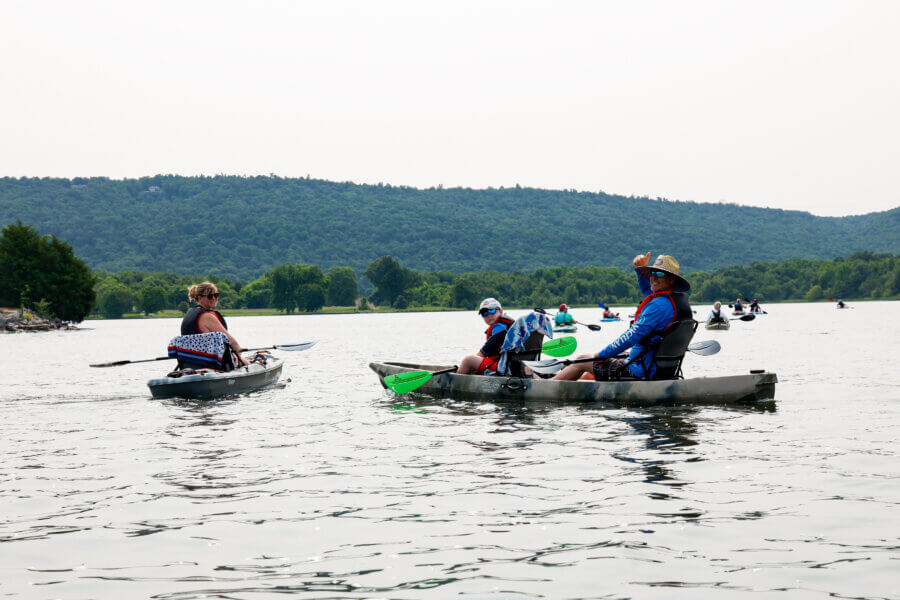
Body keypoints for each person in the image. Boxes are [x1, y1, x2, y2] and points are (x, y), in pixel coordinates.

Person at [553, 253, 692, 381]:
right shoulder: (675, 302)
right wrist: (640, 271)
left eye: (659, 274)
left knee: (581, 360)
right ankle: (584, 390)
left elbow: (631, 336)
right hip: (659, 369)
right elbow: (649, 291)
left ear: (671, 279)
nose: (653, 278)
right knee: (597, 368)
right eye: (652, 273)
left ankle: (548, 387)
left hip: (639, 371)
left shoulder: (658, 306)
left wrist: (601, 355)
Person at [182, 281, 249, 367]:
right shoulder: (207, 316)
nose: (214, 298)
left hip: (193, 362)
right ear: (200, 298)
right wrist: (238, 351)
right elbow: (231, 342)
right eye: (210, 296)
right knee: (248, 364)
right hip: (212, 364)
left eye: (216, 295)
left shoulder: (190, 313)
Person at [457, 298, 515, 375]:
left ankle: (455, 380)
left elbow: (486, 349)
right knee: (473, 362)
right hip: (506, 364)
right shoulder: (504, 325)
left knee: (468, 360)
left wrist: (471, 363)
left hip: (502, 367)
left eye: (492, 311)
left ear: (501, 311)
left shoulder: (500, 327)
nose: (489, 316)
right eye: (484, 313)